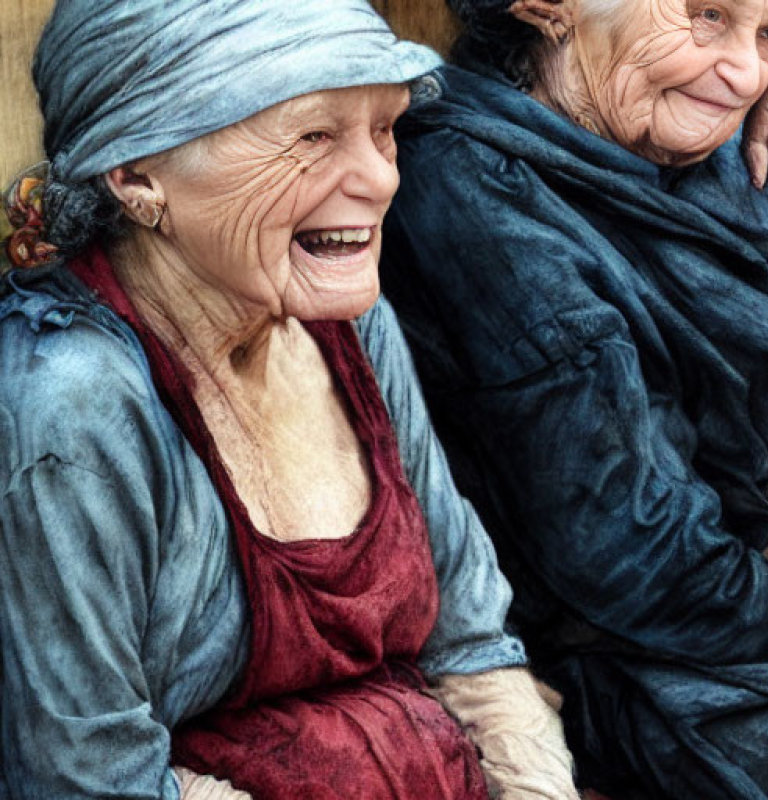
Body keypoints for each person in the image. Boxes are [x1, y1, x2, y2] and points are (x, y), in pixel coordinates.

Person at [379, 0, 768, 797]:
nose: (746, 70)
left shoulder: (703, 138)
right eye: (707, 15)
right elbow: (640, 559)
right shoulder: (477, 195)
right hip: (662, 673)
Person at [0, 2, 580, 799]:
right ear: (137, 176)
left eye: (385, 128)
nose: (381, 178)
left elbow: (473, 645)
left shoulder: (352, 324)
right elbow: (88, 781)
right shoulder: (68, 398)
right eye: (313, 137)